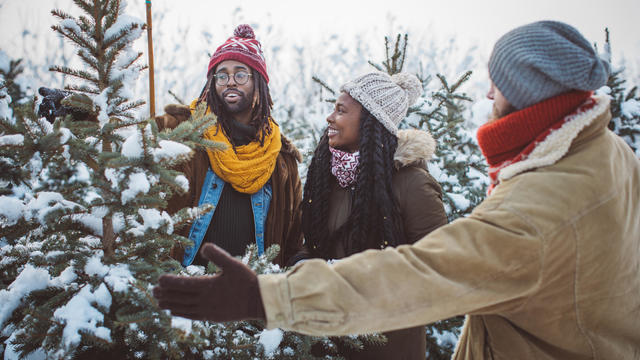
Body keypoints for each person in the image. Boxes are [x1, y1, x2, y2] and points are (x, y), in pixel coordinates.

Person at [153, 21, 640, 359]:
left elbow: (424, 269)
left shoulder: (535, 214)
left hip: (383, 339)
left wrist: (269, 297)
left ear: (532, 93)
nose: (488, 94)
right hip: (335, 331)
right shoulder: (608, 153)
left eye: (497, 82)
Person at [288, 72, 448, 359]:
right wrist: (305, 267)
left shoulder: (412, 184)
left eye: (340, 110)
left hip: (388, 346)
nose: (330, 118)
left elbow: (440, 269)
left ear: (371, 120)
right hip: (328, 343)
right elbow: (307, 244)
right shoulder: (327, 180)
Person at [155, 24, 303, 267]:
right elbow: (125, 151)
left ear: (259, 83)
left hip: (252, 291)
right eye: (221, 75)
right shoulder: (183, 131)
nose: (230, 82)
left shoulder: (280, 159)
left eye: (240, 74)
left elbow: (293, 237)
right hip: (186, 285)